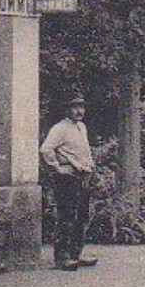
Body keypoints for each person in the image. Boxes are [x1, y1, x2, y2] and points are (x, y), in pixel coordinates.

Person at [39, 93, 98, 271]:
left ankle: (75, 254)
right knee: (66, 216)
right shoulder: (60, 128)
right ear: (67, 109)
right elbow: (46, 149)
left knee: (82, 216)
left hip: (83, 176)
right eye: (75, 107)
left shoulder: (81, 127)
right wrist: (58, 168)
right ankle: (62, 258)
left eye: (81, 106)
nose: (79, 111)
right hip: (67, 178)